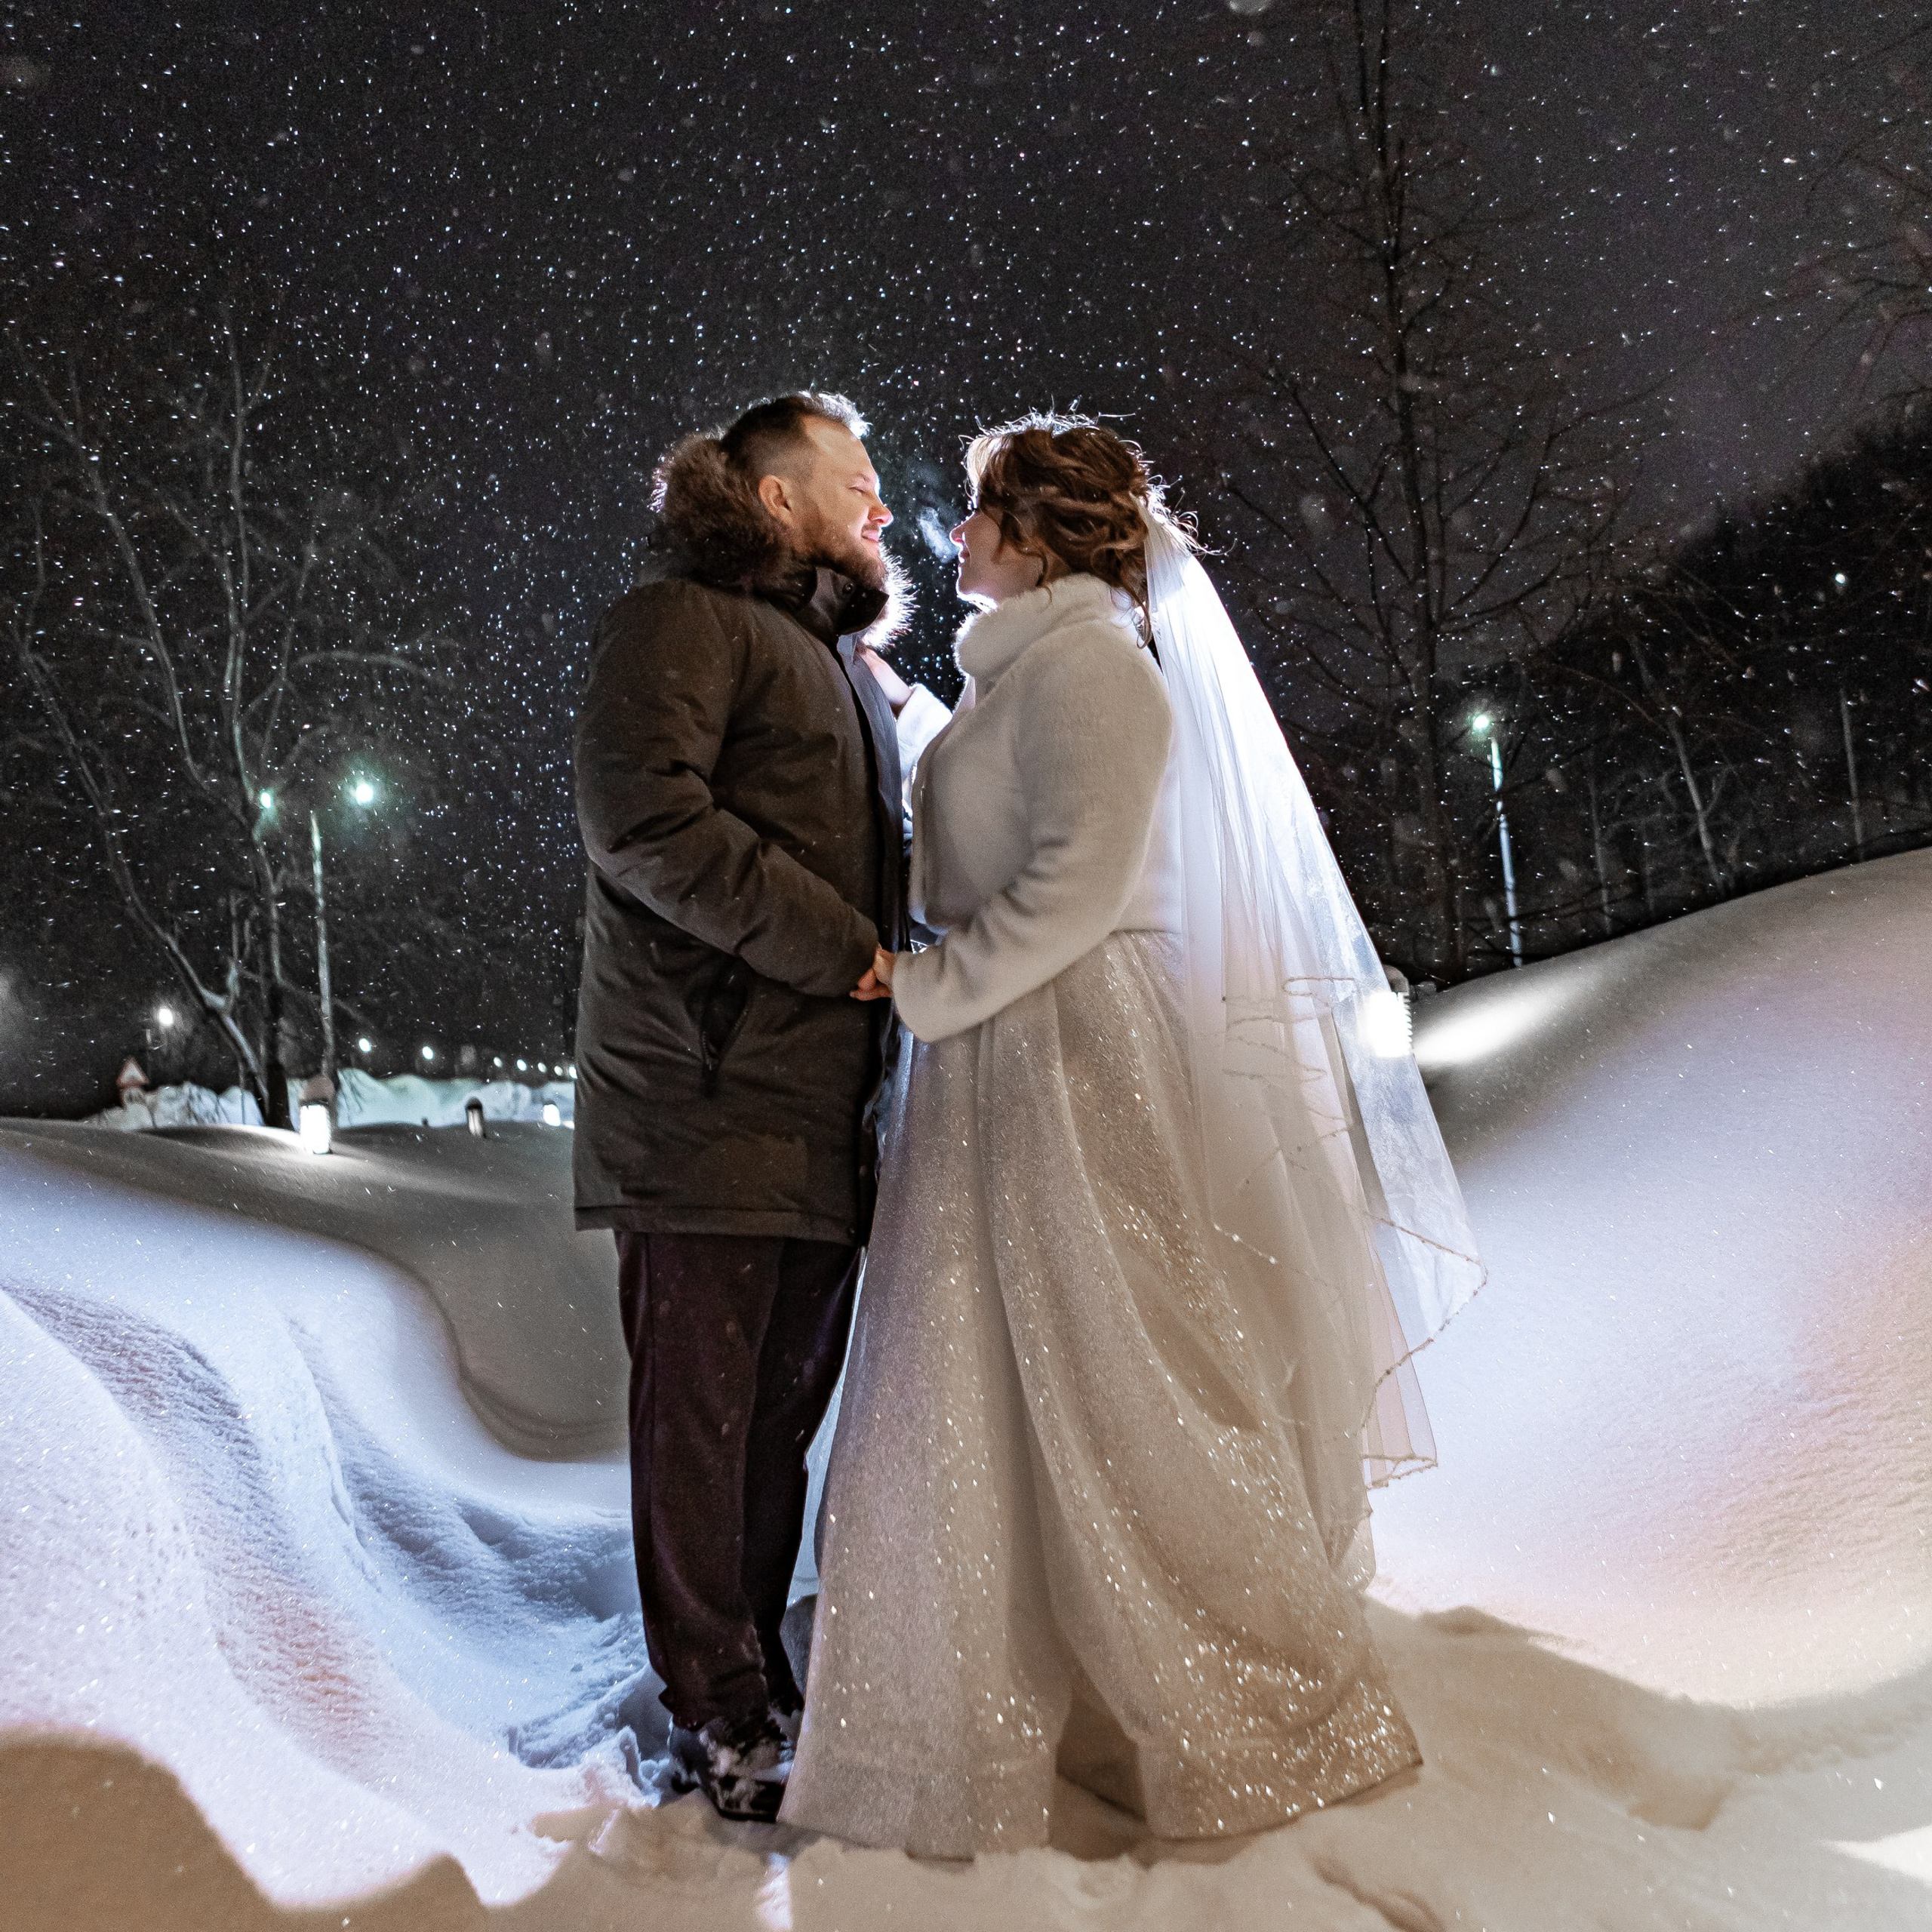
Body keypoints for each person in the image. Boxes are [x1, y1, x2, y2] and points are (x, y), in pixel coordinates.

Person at [783, 416, 1481, 1855]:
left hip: (1065, 1056)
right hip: (998, 1057)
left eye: (977, 513)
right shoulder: (1025, 679)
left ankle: (1258, 1700)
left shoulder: (1102, 675)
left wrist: (927, 984)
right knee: (992, 1376)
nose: (949, 532)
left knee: (1125, 1368)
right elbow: (992, 824)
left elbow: (1074, 888)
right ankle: (1048, 1684)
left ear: (1034, 539)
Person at [571, 392, 915, 1822]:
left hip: (816, 1116)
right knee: (702, 1424)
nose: (885, 504)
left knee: (773, 1419)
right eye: (858, 477)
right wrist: (841, 949)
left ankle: (756, 1676)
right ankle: (717, 1713)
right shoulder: (684, 621)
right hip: (704, 1103)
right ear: (775, 498)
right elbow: (642, 817)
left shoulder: (837, 666)